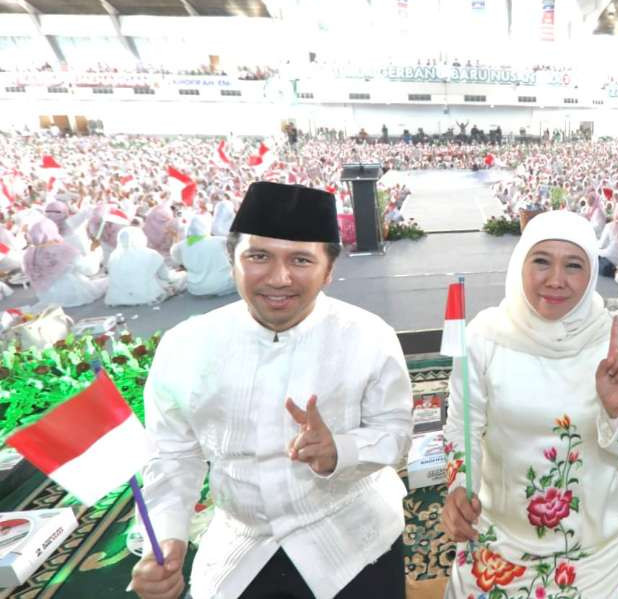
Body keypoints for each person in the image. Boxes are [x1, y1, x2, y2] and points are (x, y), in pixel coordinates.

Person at [131, 182, 413, 599]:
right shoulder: (186, 345)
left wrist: (340, 449)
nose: (278, 278)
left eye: (300, 260)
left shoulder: (369, 336)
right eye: (258, 256)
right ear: (232, 260)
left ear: (329, 270)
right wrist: (169, 535)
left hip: (353, 539)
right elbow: (172, 454)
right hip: (241, 544)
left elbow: (396, 434)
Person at [440, 210, 618, 599]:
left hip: (590, 551)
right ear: (520, 263)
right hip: (496, 539)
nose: (556, 280)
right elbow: (464, 428)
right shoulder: (485, 336)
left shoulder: (614, 344)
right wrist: (460, 488)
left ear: (592, 271)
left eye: (574, 265)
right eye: (542, 261)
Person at [22, 219, 106, 308]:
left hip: (45, 297)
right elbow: (89, 270)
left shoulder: (29, 253)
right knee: (107, 282)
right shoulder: (62, 249)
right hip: (71, 294)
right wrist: (95, 251)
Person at [106, 226, 186, 306]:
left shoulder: (113, 256)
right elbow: (166, 276)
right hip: (145, 296)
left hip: (116, 298)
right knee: (180, 278)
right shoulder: (150, 254)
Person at [170, 215, 235, 297]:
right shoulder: (220, 240)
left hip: (196, 288)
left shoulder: (180, 246)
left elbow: (176, 260)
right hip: (224, 284)